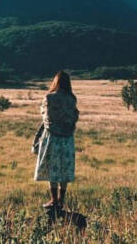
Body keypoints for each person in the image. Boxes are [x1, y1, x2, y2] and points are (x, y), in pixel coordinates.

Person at [33, 70, 79, 209]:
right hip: (67, 137)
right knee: (64, 168)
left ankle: (53, 200)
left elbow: (46, 117)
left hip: (52, 136)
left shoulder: (49, 97)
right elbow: (74, 116)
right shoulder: (72, 99)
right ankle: (61, 200)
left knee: (52, 167)